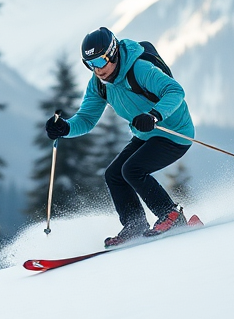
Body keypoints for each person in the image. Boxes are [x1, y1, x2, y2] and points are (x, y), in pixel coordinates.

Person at [45, 27, 195, 247]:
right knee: (114, 174)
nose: (96, 70)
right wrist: (65, 128)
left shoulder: (140, 69)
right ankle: (135, 224)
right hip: (146, 134)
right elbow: (86, 119)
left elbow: (175, 91)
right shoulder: (99, 84)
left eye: (99, 62)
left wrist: (155, 115)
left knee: (132, 170)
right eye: (90, 64)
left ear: (112, 53)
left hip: (174, 132)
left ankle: (171, 215)